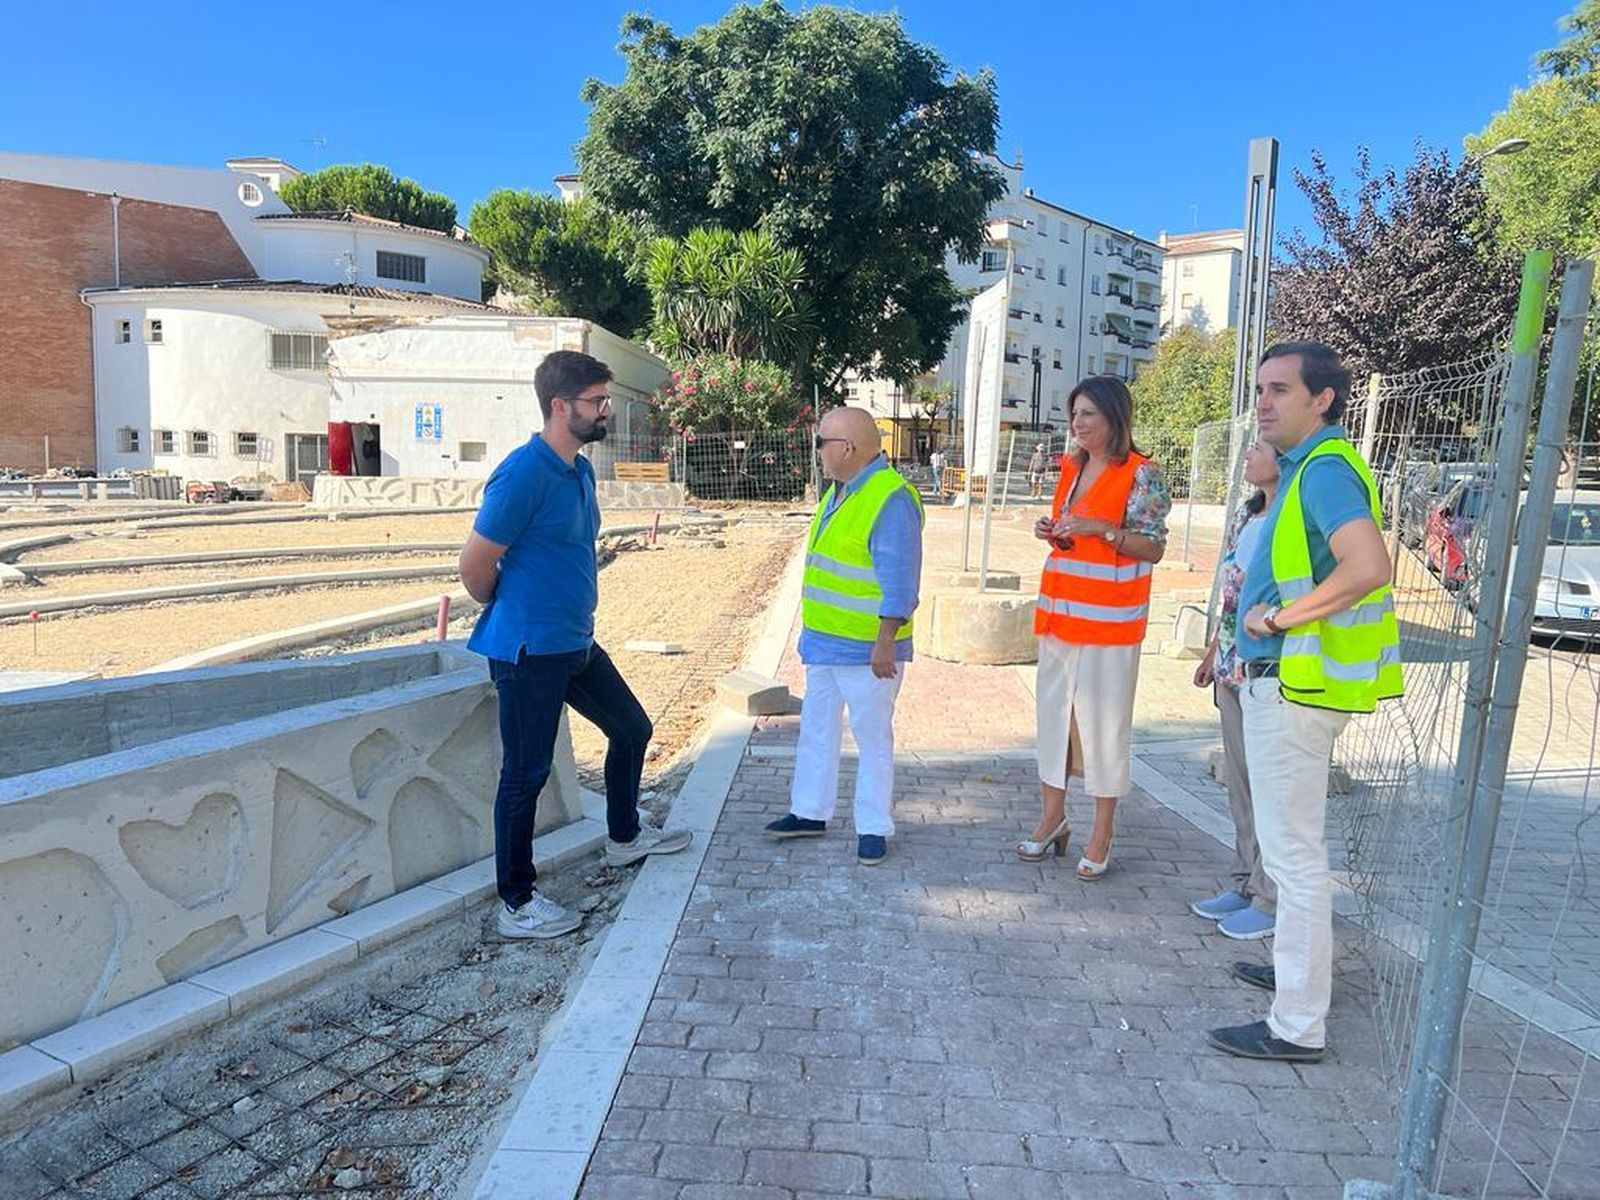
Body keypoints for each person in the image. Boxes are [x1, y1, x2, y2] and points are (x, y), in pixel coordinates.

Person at [1207, 341, 1402, 1064]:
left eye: (1280, 389)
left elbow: (1369, 566)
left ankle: (1297, 1024)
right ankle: (1296, 975)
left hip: (1294, 685)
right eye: (1260, 389)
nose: (1263, 402)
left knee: (1293, 858)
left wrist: (1280, 620)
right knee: (1295, 853)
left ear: (1322, 399)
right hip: (1286, 684)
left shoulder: (1322, 471)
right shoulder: (1301, 472)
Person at [459, 350, 692, 941]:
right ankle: (516, 903)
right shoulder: (523, 473)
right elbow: (475, 565)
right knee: (527, 774)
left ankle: (624, 837)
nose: (605, 411)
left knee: (633, 728)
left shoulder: (581, 470)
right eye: (596, 402)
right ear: (560, 406)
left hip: (574, 643)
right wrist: (513, 609)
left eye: (605, 400)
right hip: (528, 652)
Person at [1024, 377, 1171, 878]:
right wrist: (1054, 533)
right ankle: (1052, 819)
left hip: (1110, 623)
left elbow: (1152, 547)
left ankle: (1102, 831)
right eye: (1074, 414)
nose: (1078, 424)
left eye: (1088, 414)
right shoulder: (1070, 467)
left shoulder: (1141, 474)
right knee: (1054, 723)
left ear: (1114, 417)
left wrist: (1101, 530)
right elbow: (1074, 542)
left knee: (1104, 728)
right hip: (1060, 617)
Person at [765, 406, 924, 865]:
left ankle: (873, 827)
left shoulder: (889, 497)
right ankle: (809, 812)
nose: (817, 452)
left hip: (867, 651)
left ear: (848, 448)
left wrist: (885, 641)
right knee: (817, 730)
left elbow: (900, 580)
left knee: (872, 737)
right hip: (825, 645)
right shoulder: (840, 493)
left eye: (821, 443)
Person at [1190, 440, 1281, 940]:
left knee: (1268, 788)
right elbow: (1230, 595)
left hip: (1267, 669)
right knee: (1241, 785)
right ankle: (1246, 880)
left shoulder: (1291, 517)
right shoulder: (1247, 516)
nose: (1247, 454)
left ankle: (1270, 896)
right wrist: (1211, 655)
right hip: (1231, 665)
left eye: (1260, 447)